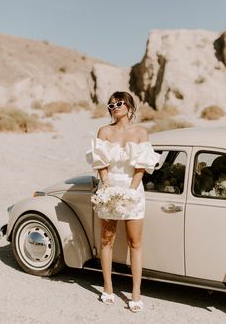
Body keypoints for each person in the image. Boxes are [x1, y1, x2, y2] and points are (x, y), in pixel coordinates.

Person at [87, 91, 160, 312]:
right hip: (108, 187)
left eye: (119, 103)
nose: (115, 107)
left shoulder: (140, 132)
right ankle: (108, 287)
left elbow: (142, 166)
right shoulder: (104, 131)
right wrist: (106, 186)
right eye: (111, 104)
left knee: (135, 243)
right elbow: (100, 162)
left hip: (133, 189)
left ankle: (136, 292)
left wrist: (130, 190)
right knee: (106, 240)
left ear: (129, 106)